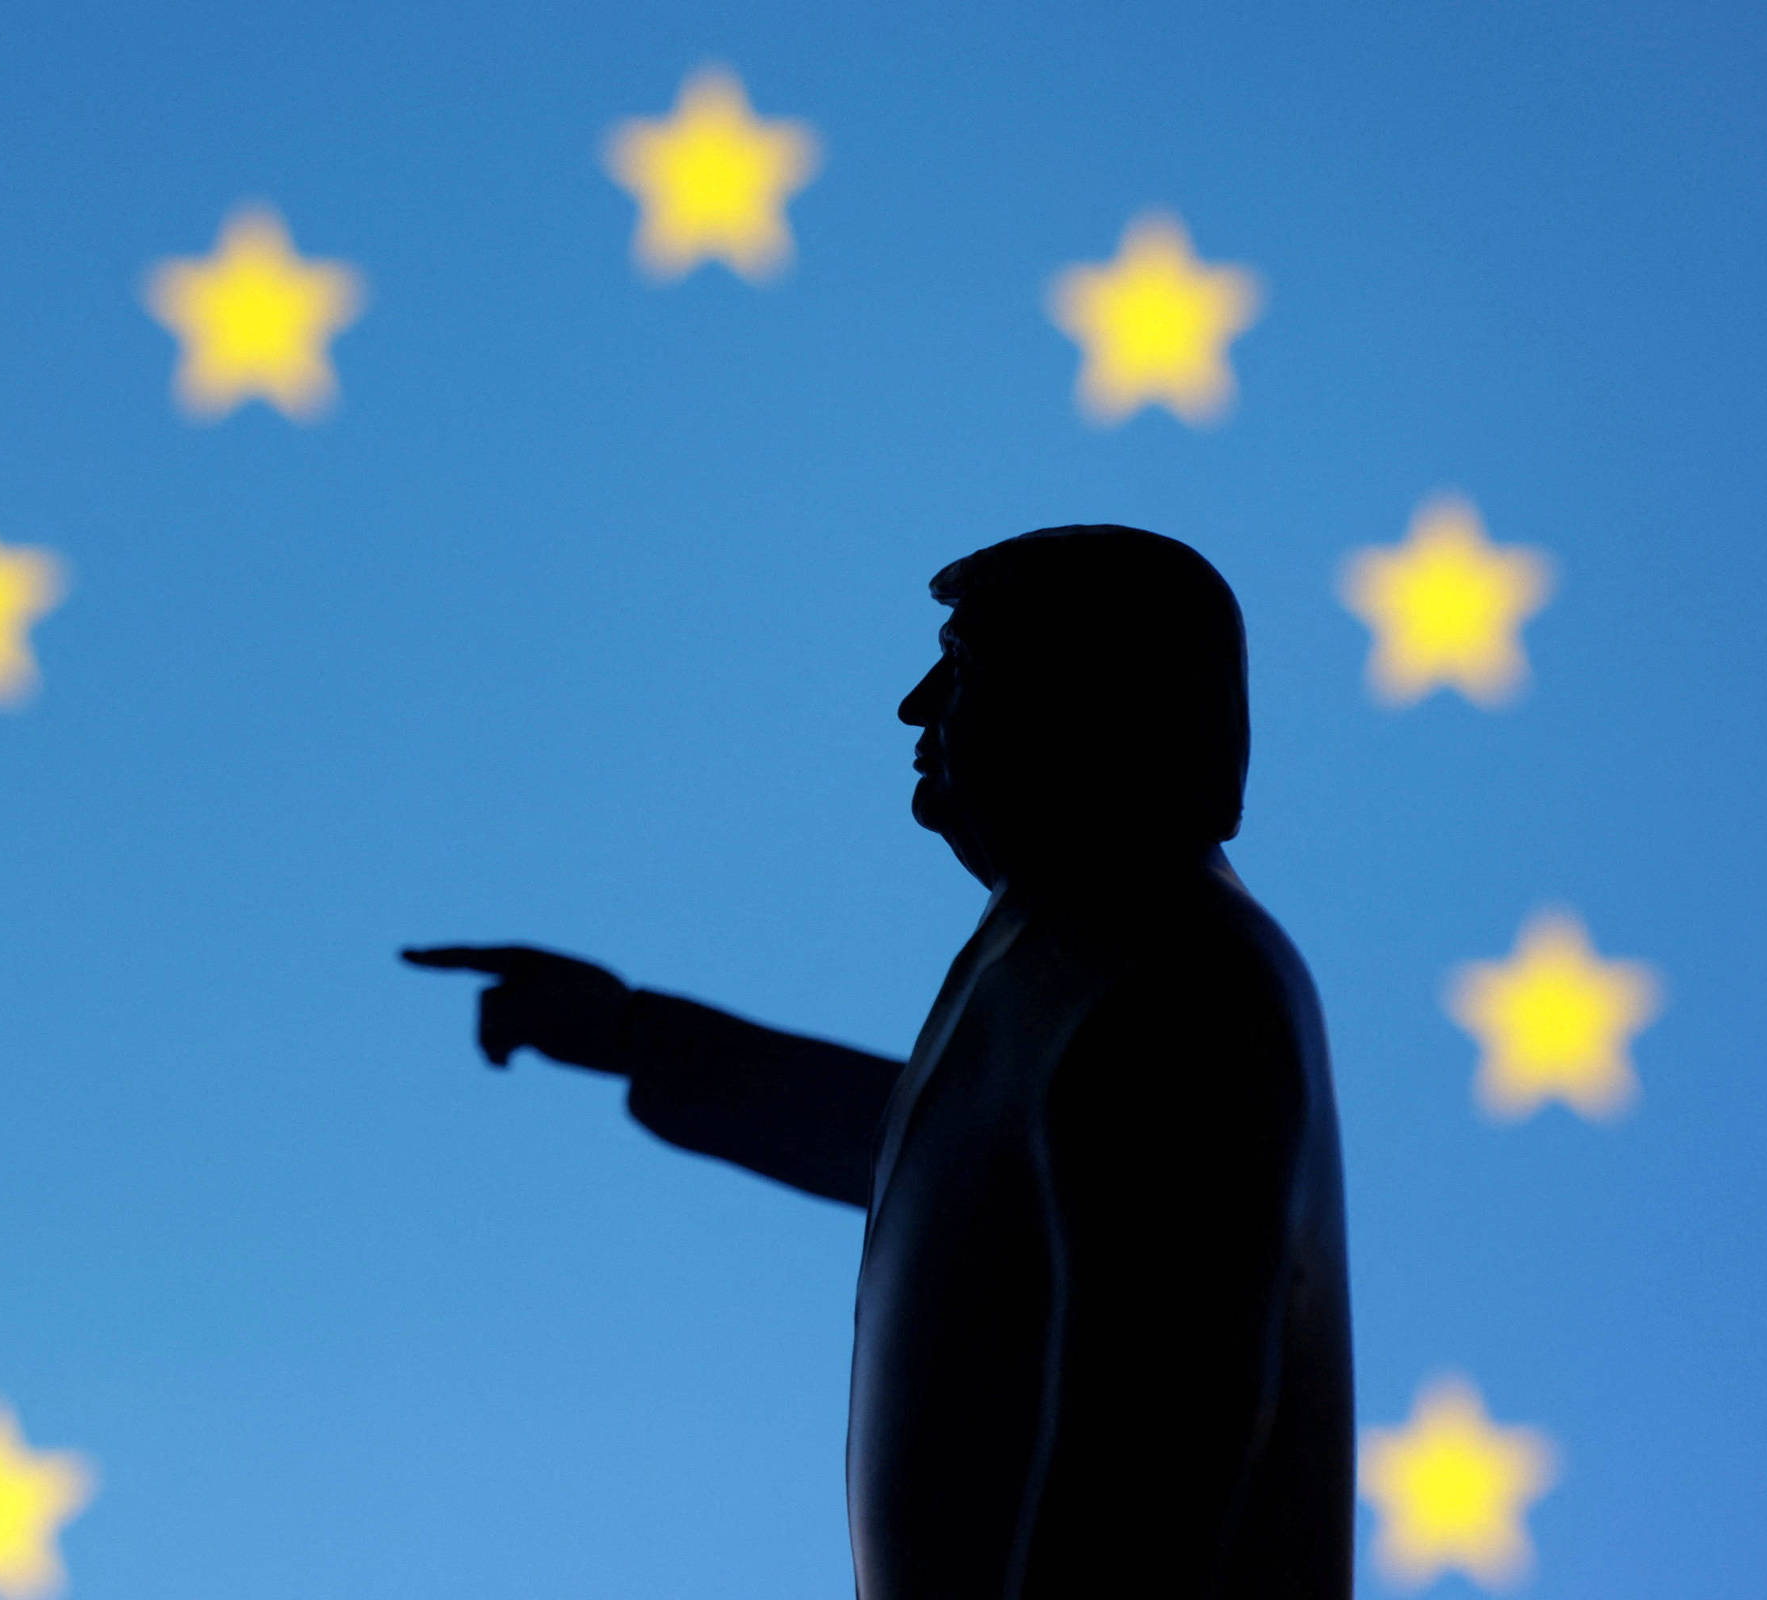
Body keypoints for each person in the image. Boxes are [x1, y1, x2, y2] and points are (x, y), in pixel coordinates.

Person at [405, 526, 1353, 1599]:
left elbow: (1161, 1442)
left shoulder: (1177, 981)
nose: (917, 704)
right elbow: (942, 1162)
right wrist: (632, 1034)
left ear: (1091, 696)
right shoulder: (1085, 949)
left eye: (966, 660)